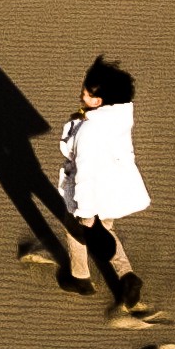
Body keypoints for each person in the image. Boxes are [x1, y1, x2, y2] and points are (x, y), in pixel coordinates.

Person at [55, 56, 149, 306]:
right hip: (112, 190)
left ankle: (80, 277)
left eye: (86, 93)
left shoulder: (89, 131)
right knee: (105, 230)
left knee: (74, 226)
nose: (81, 95)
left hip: (91, 194)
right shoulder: (118, 117)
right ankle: (126, 275)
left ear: (99, 100)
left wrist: (84, 213)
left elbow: (85, 173)